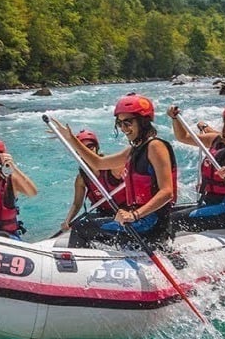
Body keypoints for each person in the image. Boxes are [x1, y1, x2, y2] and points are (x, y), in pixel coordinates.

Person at [52, 93, 177, 248]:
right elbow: (98, 163)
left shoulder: (155, 147)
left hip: (151, 225)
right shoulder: (133, 150)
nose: (124, 128)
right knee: (88, 223)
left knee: (82, 227)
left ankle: (72, 268)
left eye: (128, 122)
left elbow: (167, 192)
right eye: (120, 124)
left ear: (143, 121)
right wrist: (72, 139)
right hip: (140, 221)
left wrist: (134, 215)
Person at [167, 100, 225, 232]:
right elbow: (183, 137)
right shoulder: (215, 139)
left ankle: (168, 251)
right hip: (210, 201)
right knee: (165, 215)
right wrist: (175, 118)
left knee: (173, 220)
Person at [59, 129, 126, 232]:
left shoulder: (111, 167)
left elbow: (129, 164)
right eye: (83, 148)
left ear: (97, 147)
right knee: (80, 225)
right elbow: (77, 204)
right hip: (104, 213)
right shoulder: (82, 178)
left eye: (90, 146)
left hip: (123, 212)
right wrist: (67, 220)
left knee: (83, 226)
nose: (87, 151)